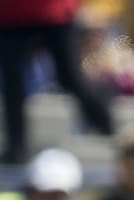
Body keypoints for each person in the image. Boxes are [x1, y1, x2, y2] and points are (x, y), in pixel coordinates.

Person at [0, 0, 114, 164]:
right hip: (12, 11)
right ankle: (16, 148)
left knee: (68, 76)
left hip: (52, 10)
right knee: (13, 82)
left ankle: (106, 124)